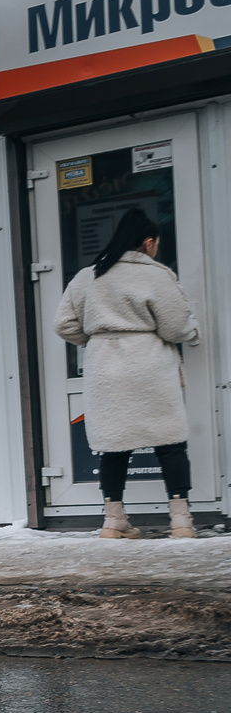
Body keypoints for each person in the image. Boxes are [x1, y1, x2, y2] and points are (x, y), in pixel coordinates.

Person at [56, 207, 203, 539]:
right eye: (156, 244)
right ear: (148, 242)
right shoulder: (156, 275)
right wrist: (192, 332)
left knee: (114, 445)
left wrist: (97, 338)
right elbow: (175, 326)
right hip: (149, 365)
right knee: (170, 442)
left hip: (104, 368)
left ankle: (113, 521)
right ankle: (181, 520)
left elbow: (63, 324)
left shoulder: (87, 276)